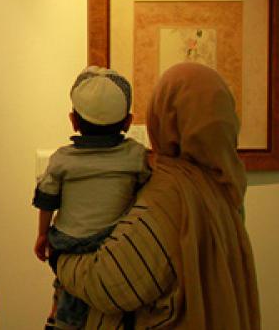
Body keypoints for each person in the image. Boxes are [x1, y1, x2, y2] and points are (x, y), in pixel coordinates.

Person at [50, 62, 260, 328]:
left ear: (163, 117)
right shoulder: (225, 186)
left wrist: (59, 257)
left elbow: (109, 284)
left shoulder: (171, 193)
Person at [33, 66, 149, 329]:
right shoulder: (136, 156)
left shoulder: (62, 159)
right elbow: (145, 191)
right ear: (128, 122)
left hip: (67, 240)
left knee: (67, 283)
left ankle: (63, 319)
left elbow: (46, 199)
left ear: (73, 120)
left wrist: (42, 235)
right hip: (112, 242)